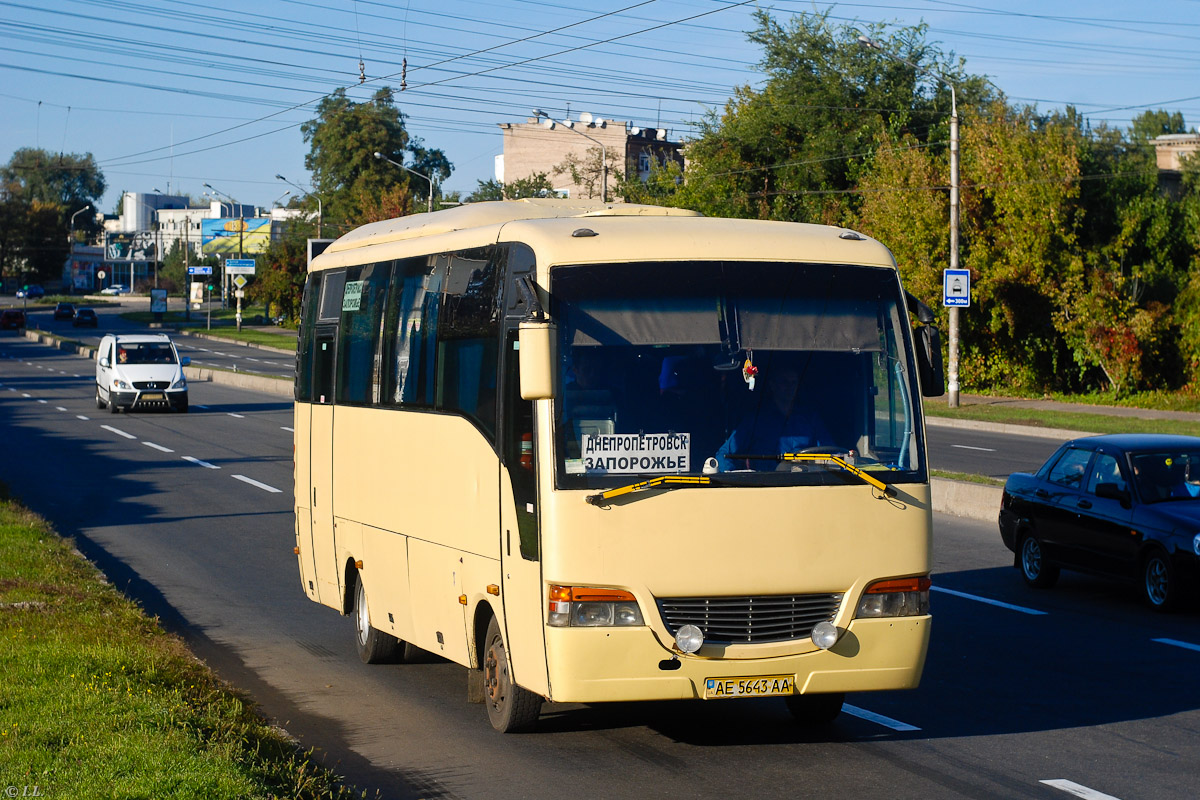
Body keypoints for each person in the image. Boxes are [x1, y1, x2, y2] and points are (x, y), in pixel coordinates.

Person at [714, 363, 833, 471]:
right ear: (773, 385)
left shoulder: (810, 419)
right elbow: (724, 454)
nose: (790, 387)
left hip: (807, 486)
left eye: (793, 383)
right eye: (784, 382)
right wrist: (732, 481)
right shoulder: (756, 420)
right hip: (767, 487)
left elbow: (830, 452)